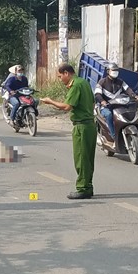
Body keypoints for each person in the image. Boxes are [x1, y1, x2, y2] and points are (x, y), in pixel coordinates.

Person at [41, 64, 97, 199]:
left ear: (66, 73)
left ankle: (83, 188)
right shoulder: (84, 82)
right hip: (90, 125)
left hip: (81, 127)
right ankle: (88, 186)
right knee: (88, 159)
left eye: (60, 76)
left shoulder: (76, 85)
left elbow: (67, 106)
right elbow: (91, 102)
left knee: (81, 158)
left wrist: (50, 101)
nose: (60, 79)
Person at [94, 63, 138, 141]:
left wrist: (135, 96)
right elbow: (97, 94)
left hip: (118, 105)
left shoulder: (120, 82)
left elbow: (128, 89)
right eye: (113, 70)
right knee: (109, 114)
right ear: (108, 71)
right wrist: (102, 101)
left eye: (117, 70)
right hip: (106, 106)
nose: (115, 72)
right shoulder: (102, 82)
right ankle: (113, 135)